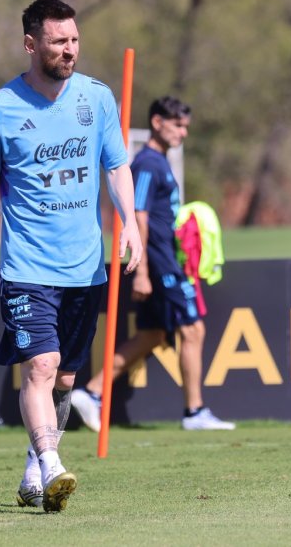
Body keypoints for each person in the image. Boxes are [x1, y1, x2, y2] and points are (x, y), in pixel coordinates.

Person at [0, 0, 142, 513]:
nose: (70, 50)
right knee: (41, 365)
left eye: (75, 40)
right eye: (59, 41)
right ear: (30, 44)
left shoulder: (98, 99)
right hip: (26, 267)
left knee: (64, 378)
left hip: (85, 266)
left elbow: (117, 166)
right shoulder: (0, 108)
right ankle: (53, 463)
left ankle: (35, 466)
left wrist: (130, 224)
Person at [70, 96, 234, 433]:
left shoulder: (160, 162)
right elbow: (137, 213)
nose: (183, 132)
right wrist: (142, 268)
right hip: (158, 264)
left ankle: (92, 392)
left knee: (152, 335)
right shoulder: (147, 163)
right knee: (193, 329)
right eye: (177, 124)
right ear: (157, 123)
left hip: (165, 260)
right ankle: (195, 412)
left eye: (186, 126)